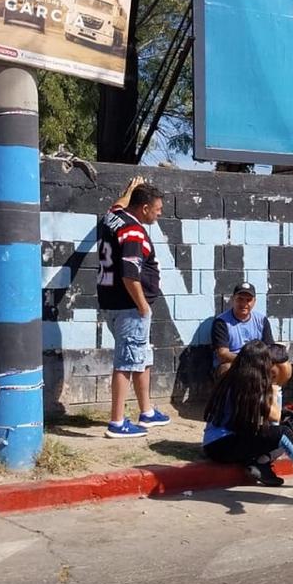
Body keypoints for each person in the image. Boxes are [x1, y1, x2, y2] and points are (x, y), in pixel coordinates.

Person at [203, 340, 293, 489]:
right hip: (221, 446)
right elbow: (275, 418)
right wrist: (276, 388)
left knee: (291, 427)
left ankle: (260, 463)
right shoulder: (245, 385)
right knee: (283, 433)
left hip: (228, 441)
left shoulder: (235, 377)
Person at [96, 177, 171, 438]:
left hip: (115, 303)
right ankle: (116, 423)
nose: (159, 214)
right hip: (129, 306)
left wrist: (128, 190)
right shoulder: (133, 232)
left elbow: (117, 205)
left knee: (141, 357)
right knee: (126, 361)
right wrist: (142, 307)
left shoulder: (114, 218)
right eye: (157, 209)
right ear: (144, 208)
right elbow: (130, 275)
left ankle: (146, 412)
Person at [212, 282, 292, 385]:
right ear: (233, 299)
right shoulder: (221, 322)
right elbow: (222, 354)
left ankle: (273, 396)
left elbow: (269, 348)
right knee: (227, 369)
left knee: (285, 367)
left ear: (254, 301)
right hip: (235, 362)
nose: (244, 304)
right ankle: (232, 400)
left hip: (258, 361)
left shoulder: (261, 320)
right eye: (240, 299)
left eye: (248, 300)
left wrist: (260, 361)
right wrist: (249, 359)